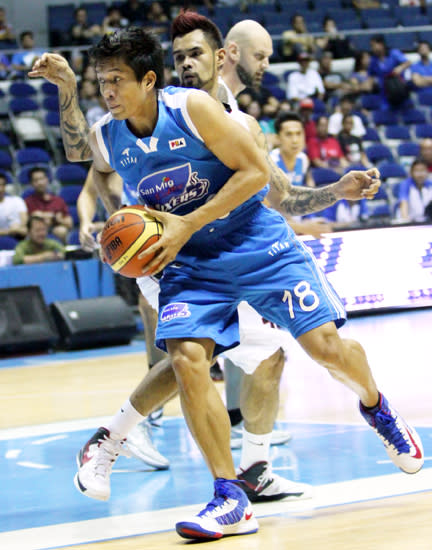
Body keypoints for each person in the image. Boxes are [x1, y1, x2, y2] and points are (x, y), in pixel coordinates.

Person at [30, 26, 423, 541]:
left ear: (148, 80)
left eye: (116, 81)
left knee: (325, 349)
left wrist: (187, 222)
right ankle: (230, 496)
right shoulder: (109, 131)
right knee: (189, 359)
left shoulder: (193, 109)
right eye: (100, 81)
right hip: (192, 263)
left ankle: (378, 407)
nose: (106, 92)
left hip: (258, 244)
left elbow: (257, 174)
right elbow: (87, 157)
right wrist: (65, 91)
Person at [268, 111, 333, 239]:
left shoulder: (303, 160)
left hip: (290, 223)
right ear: (277, 138)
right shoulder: (271, 163)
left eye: (299, 134)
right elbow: (269, 211)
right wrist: (303, 227)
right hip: (271, 228)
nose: (295, 140)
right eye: (289, 134)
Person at [24, 167, 73, 244]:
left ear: (47, 179)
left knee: (62, 231)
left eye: (42, 179)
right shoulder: (27, 202)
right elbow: (25, 224)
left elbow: (69, 223)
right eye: (36, 180)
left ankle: (63, 253)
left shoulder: (58, 200)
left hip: (54, 229)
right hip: (36, 232)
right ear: (31, 183)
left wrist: (54, 218)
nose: (40, 182)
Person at [368, 34, 411, 109]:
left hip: (399, 89)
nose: (372, 48)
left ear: (381, 44)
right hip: (385, 93)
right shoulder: (373, 60)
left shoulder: (393, 53)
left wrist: (400, 68)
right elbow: (370, 75)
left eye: (373, 45)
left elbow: (407, 62)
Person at [395, 158, 432, 223]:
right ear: (411, 172)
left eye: (423, 170)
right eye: (417, 171)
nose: (420, 174)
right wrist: (406, 220)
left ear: (427, 172)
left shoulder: (430, 184)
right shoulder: (405, 184)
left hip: (426, 222)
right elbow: (404, 203)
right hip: (409, 222)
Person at [0, 174, 28, 240]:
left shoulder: (17, 200)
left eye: (2, 185)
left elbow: (24, 221)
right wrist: (10, 231)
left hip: (21, 236)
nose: (0, 189)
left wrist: (20, 228)